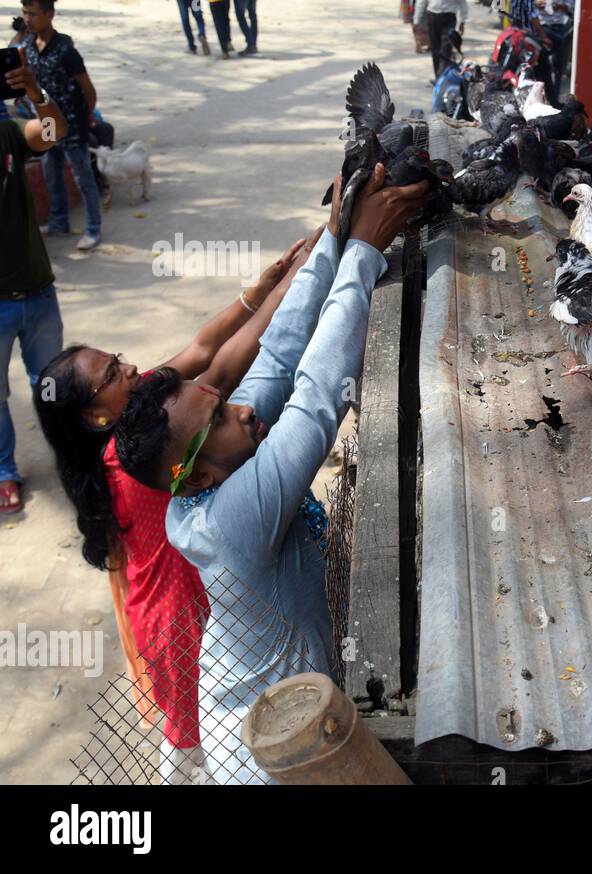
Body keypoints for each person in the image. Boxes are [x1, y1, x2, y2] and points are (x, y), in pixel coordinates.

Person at [114, 167, 427, 783]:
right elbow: (313, 400)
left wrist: (336, 238)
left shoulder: (210, 462)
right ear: (194, 476)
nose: (244, 407)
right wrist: (362, 254)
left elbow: (281, 354)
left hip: (281, 716)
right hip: (264, 757)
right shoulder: (230, 522)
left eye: (219, 397)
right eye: (221, 416)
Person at [36, 233, 312, 782]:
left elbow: (200, 348)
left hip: (189, 597)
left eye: (116, 359)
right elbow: (221, 369)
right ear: (95, 418)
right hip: (177, 621)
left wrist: (258, 291)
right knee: (196, 747)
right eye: (112, 374)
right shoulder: (131, 458)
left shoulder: (137, 413)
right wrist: (292, 287)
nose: (130, 367)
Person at [1, 45, 68, 516]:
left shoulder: (6, 133)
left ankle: (69, 456)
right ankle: (5, 471)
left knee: (50, 384)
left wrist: (35, 92)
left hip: (38, 293)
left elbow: (51, 132)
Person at [18, 0, 101, 250]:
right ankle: (59, 222)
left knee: (82, 177)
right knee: (51, 174)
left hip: (73, 124)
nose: (28, 18)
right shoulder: (28, 47)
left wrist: (86, 118)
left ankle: (93, 229)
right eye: (25, 13)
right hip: (48, 125)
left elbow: (89, 91)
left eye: (33, 14)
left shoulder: (65, 50)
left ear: (49, 15)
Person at [415, 0, 467, 80]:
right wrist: (417, 20)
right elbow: (421, 2)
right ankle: (438, 77)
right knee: (435, 50)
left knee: (446, 49)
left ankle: (442, 77)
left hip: (449, 18)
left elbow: (462, 2)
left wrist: (462, 21)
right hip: (432, 17)